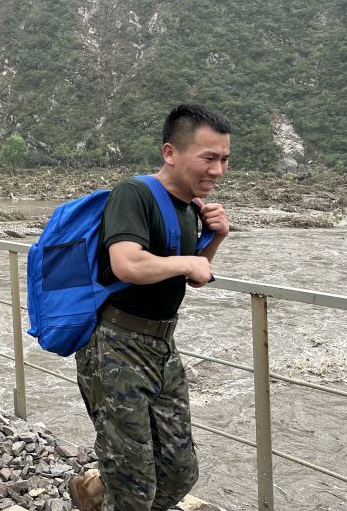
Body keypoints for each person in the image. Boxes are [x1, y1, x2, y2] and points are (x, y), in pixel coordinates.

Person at [67, 103, 231, 511]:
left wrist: (215, 239)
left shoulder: (191, 208)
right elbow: (127, 262)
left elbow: (192, 274)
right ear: (170, 153)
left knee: (179, 472)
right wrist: (190, 260)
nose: (218, 170)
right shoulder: (134, 193)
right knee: (134, 483)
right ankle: (114, 492)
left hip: (162, 347)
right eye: (208, 158)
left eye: (225, 159)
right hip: (115, 347)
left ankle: (93, 490)